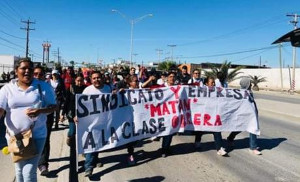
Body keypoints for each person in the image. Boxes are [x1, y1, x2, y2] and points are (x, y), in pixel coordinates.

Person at [0, 58, 56, 182]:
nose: (27, 71)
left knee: (28, 173)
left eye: (30, 69)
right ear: (16, 71)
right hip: (15, 138)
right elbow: (1, 109)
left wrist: (40, 111)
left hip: (37, 135)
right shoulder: (7, 89)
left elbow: (54, 107)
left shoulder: (43, 87)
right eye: (23, 68)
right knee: (19, 170)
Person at [81, 71, 112, 177]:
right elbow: (81, 105)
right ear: (91, 80)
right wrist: (77, 116)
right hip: (91, 122)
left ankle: (95, 158)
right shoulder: (87, 90)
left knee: (98, 142)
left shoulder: (108, 88)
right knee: (92, 143)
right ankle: (88, 167)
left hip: (104, 121)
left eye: (98, 78)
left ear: (102, 78)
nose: (96, 80)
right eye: (94, 78)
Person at [226, 77, 262, 155]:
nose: (251, 85)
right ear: (247, 84)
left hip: (251, 114)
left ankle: (253, 147)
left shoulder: (250, 92)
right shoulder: (240, 93)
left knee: (253, 128)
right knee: (240, 127)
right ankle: (230, 138)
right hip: (243, 114)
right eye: (250, 83)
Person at [194, 76, 227, 156]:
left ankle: (219, 148)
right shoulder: (201, 91)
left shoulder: (217, 92)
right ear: (206, 83)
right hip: (204, 115)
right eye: (211, 83)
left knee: (217, 130)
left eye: (214, 83)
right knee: (200, 130)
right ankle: (197, 142)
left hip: (214, 115)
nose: (213, 84)